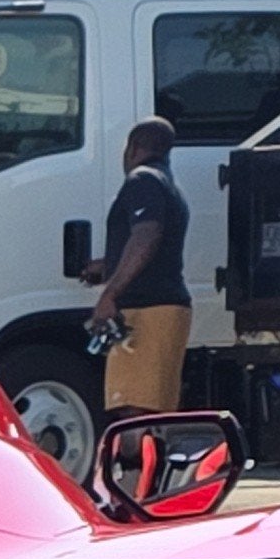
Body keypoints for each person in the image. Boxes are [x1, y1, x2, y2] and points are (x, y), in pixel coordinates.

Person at [85, 116, 193, 416]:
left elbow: (146, 236)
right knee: (151, 409)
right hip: (164, 308)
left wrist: (110, 294)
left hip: (147, 311)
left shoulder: (142, 180)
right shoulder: (167, 184)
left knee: (136, 411)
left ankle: (139, 464)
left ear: (132, 148)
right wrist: (108, 266)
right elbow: (155, 250)